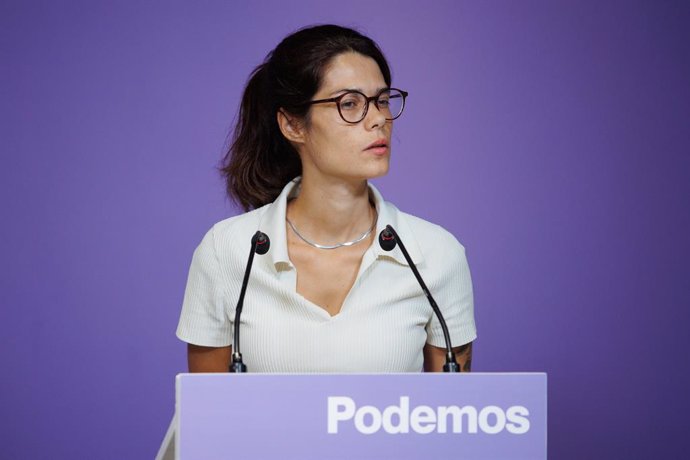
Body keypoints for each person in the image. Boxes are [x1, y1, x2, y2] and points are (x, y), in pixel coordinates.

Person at [176, 24, 476, 373]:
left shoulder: (437, 255)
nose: (379, 118)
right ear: (293, 125)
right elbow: (207, 416)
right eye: (349, 103)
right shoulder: (226, 251)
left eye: (381, 100)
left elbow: (452, 417)